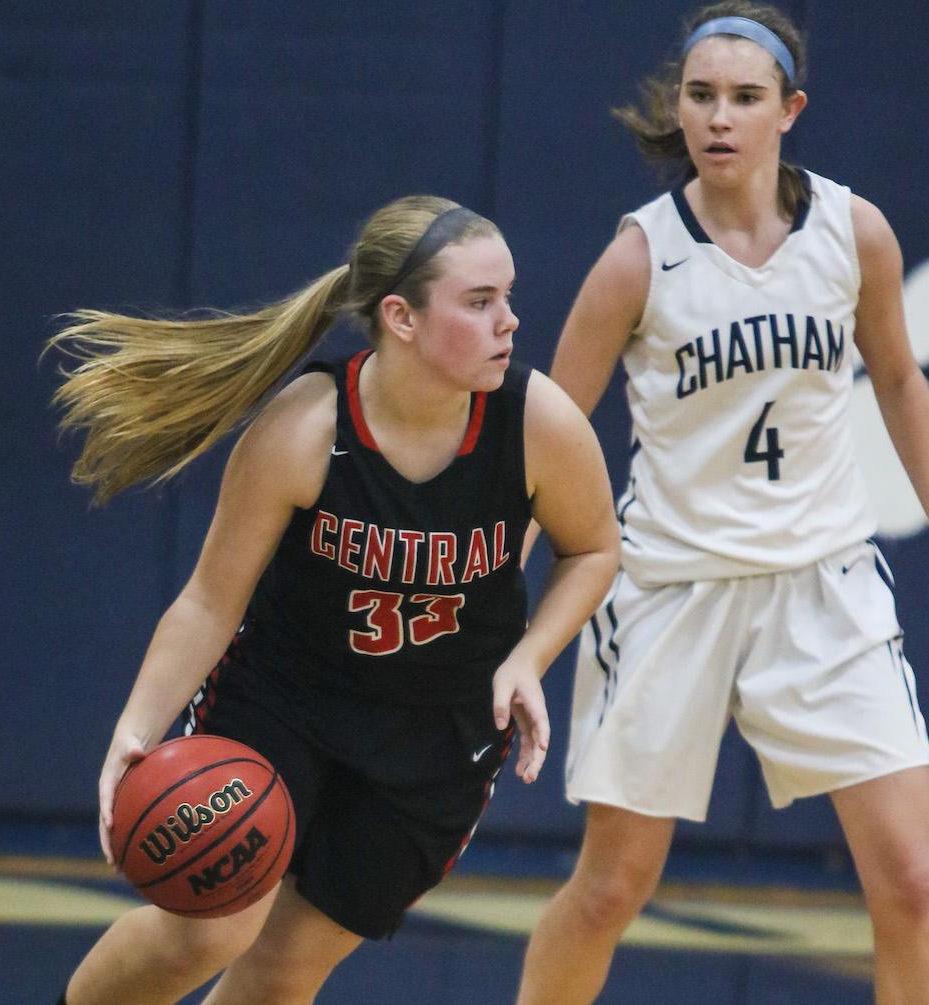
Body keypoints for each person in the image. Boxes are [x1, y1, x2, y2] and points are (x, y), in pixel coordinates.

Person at [46, 194, 620, 1005]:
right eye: (481, 301)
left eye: (510, 298)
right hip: (291, 697)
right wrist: (133, 731)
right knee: (210, 924)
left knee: (284, 970)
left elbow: (595, 548)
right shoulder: (308, 428)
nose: (511, 322)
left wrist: (530, 656)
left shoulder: (536, 423)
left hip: (438, 733)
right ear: (402, 317)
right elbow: (211, 601)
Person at [515, 4, 929, 1004]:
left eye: (744, 98)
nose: (719, 116)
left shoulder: (852, 229)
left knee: (914, 885)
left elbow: (899, 384)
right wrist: (499, 588)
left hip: (822, 582)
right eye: (701, 95)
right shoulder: (638, 257)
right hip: (669, 587)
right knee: (612, 887)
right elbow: (552, 429)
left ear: (788, 110)